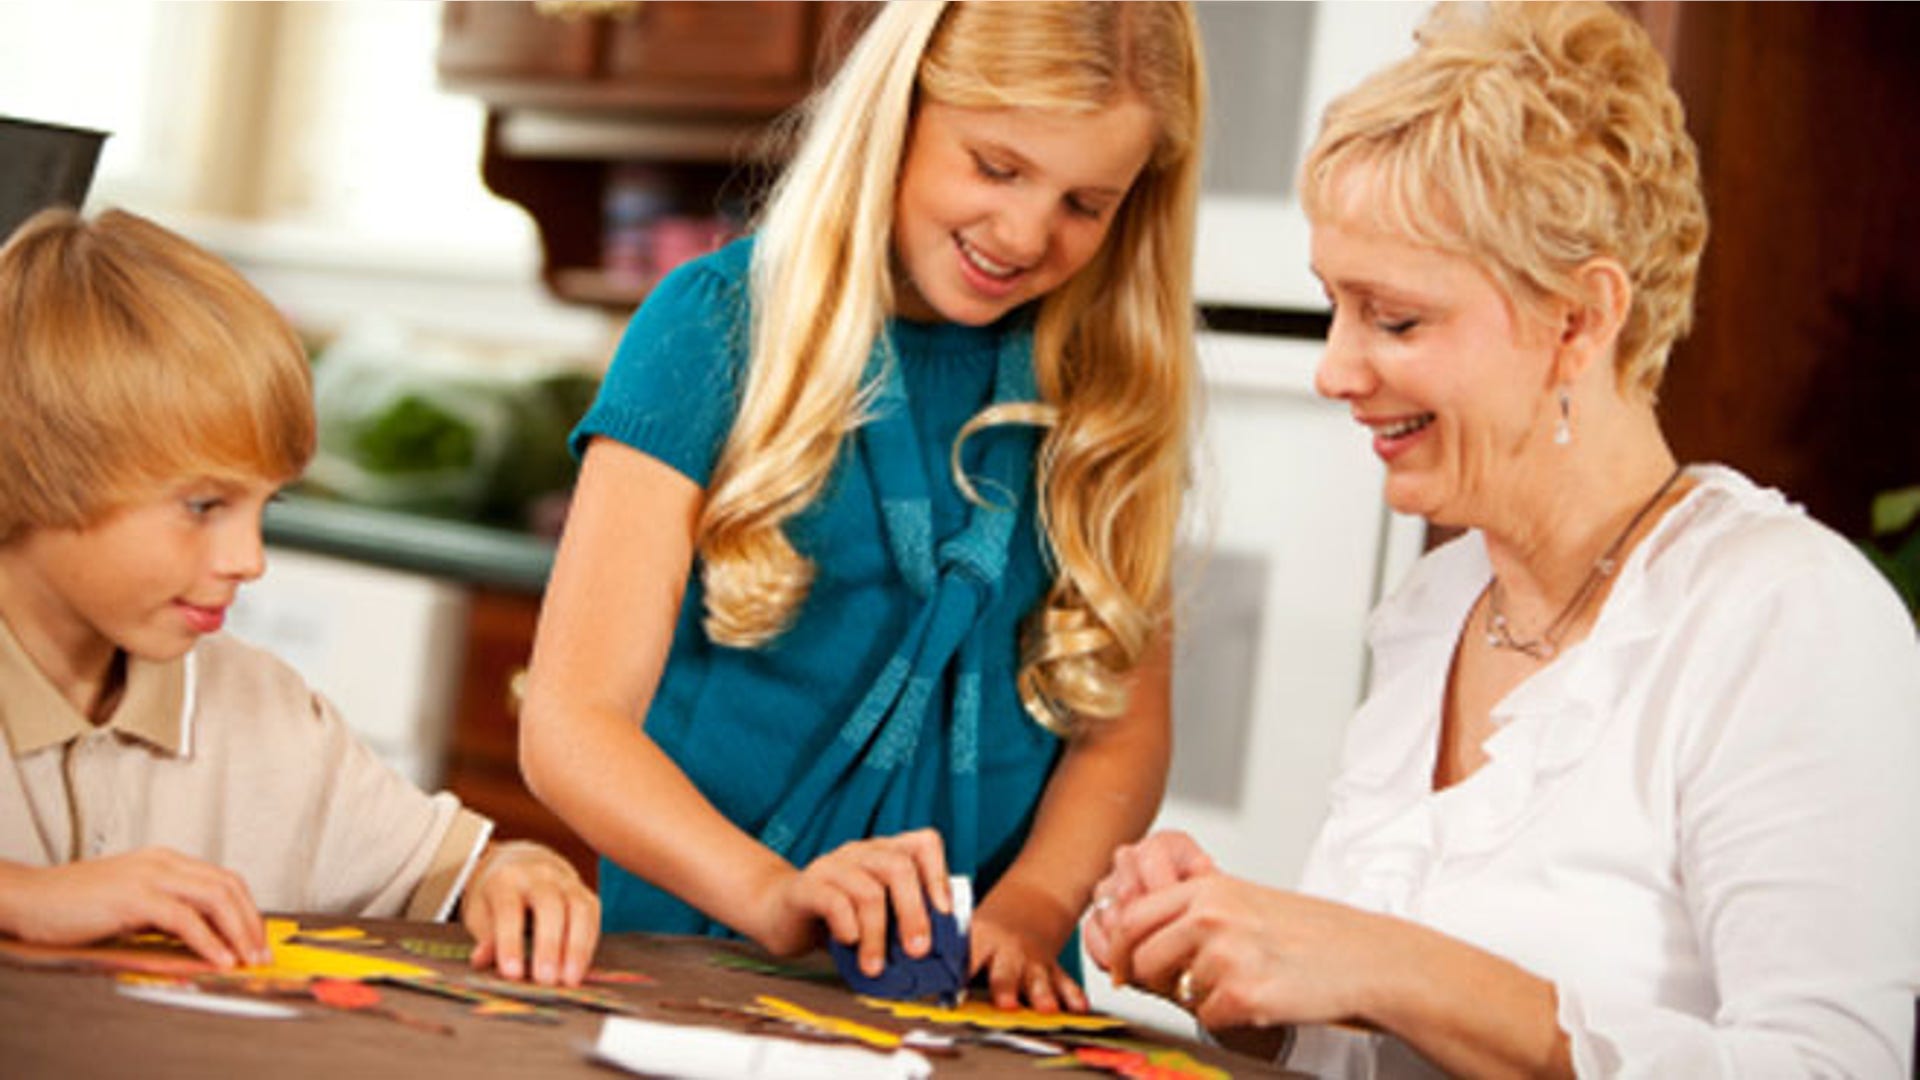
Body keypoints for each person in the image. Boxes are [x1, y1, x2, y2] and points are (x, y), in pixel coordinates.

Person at [1087, 2, 1920, 1075]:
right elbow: (1380, 1044)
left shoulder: (1786, 616)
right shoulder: (1441, 607)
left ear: (1581, 319)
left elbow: (1833, 1066)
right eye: (1333, 306)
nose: (1334, 369)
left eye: (1394, 319)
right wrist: (1243, 971)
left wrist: (1383, 961)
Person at [519, 0, 1204, 1010]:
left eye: (1085, 204)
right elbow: (571, 726)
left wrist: (1036, 907)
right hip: (699, 974)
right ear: (899, 110)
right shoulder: (714, 328)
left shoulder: (1111, 391)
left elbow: (1122, 731)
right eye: (996, 167)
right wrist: (773, 894)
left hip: (981, 1008)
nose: (1024, 233)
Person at [0, 208, 601, 987]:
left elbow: (448, 872)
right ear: (36, 469)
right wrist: (23, 896)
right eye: (203, 505)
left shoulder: (266, 712)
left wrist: (514, 872)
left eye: (265, 507)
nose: (248, 560)